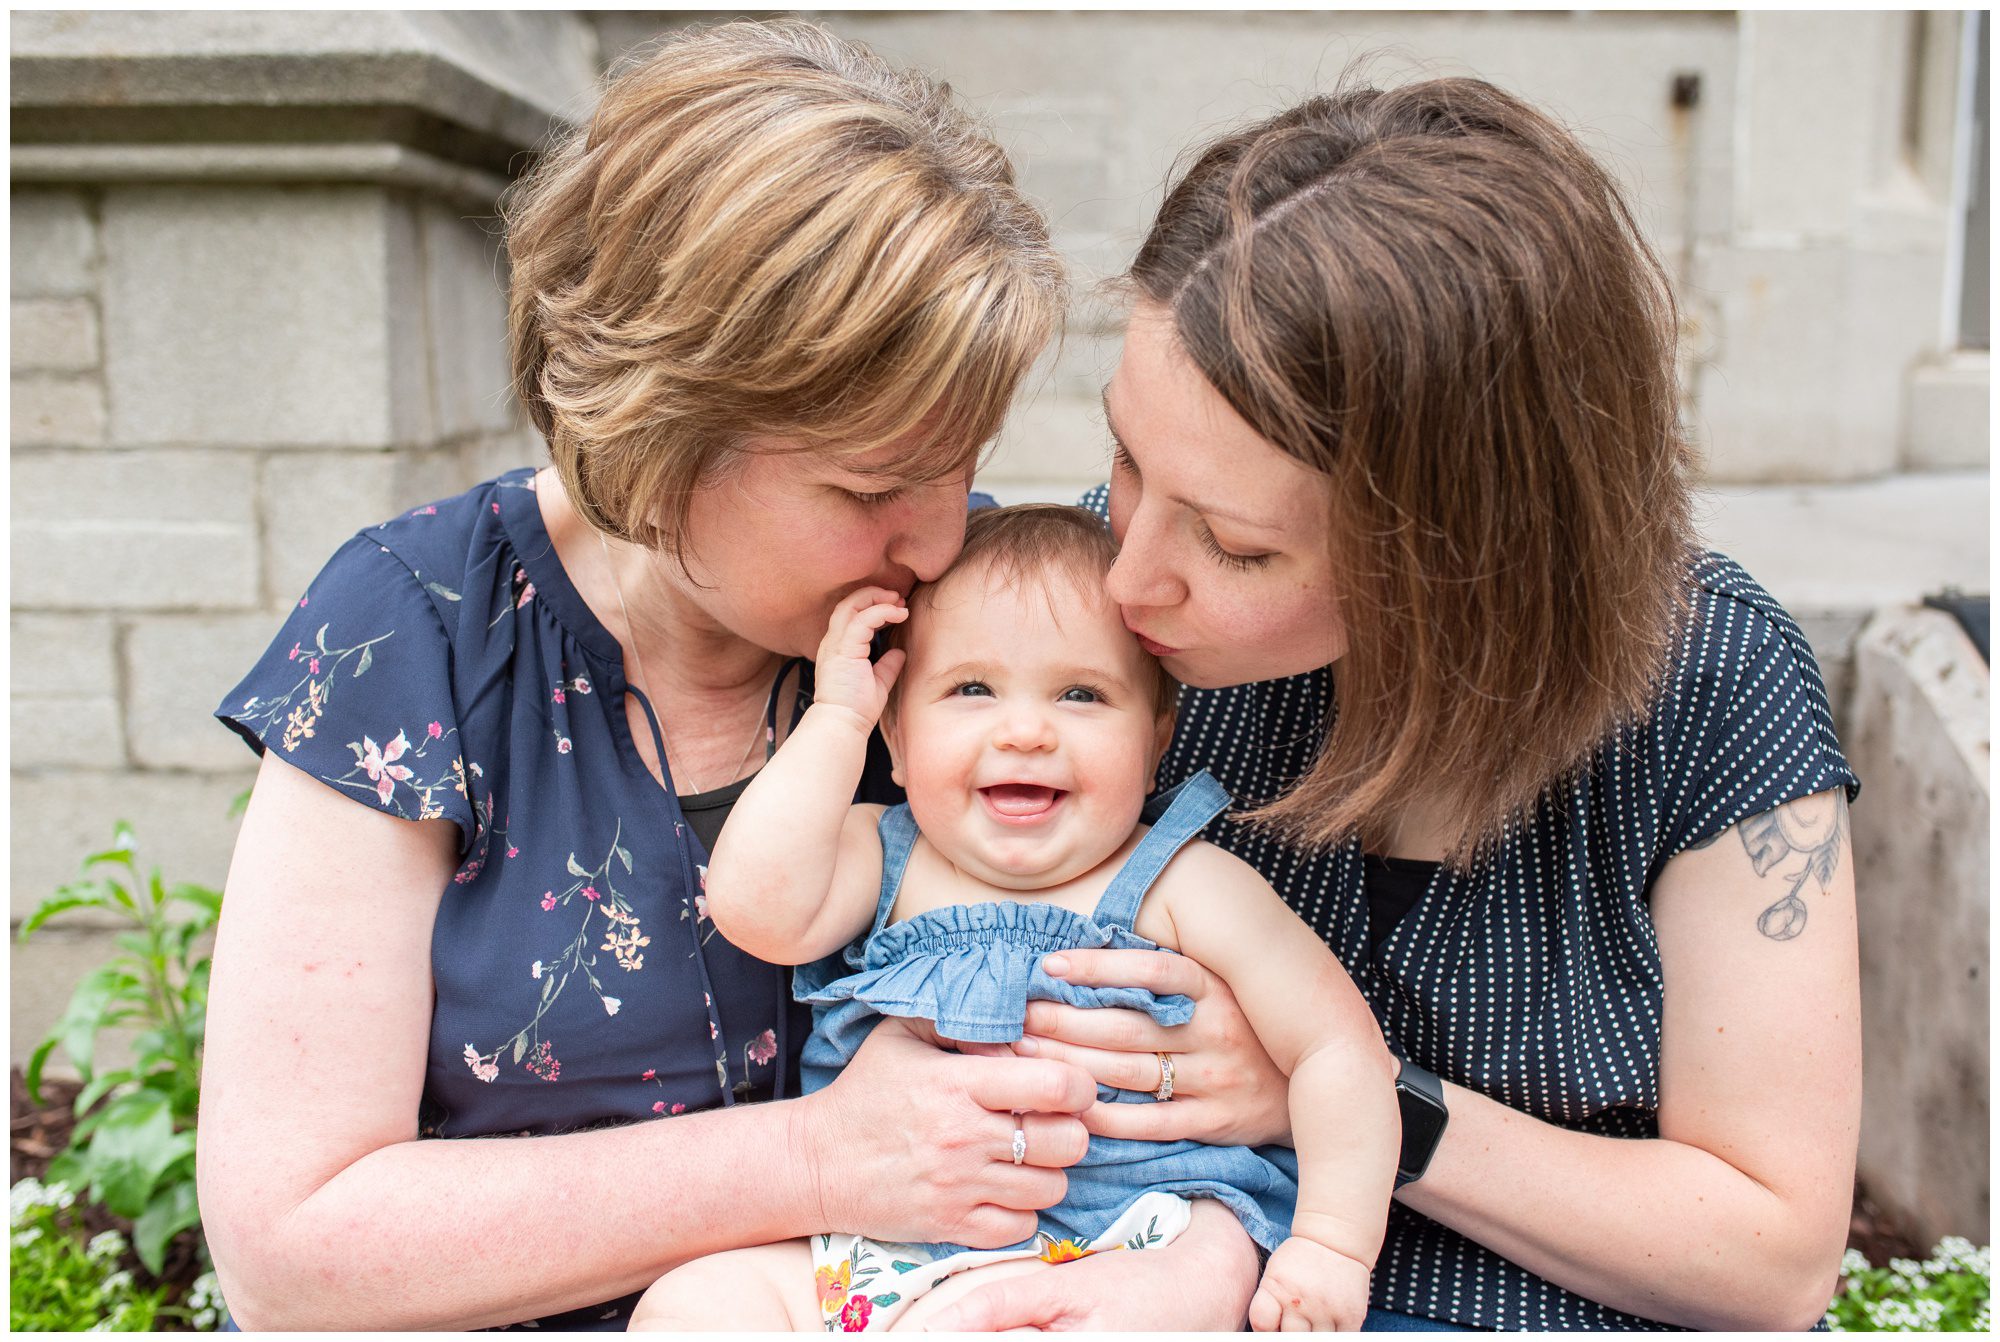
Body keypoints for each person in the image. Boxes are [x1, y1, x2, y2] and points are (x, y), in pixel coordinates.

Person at [194, 21, 1261, 1330]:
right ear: (665, 426)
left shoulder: (977, 630)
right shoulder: (418, 628)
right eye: (871, 485)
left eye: (964, 458)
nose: (941, 536)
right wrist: (813, 1157)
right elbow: (292, 1251)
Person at [918, 78, 1863, 1332]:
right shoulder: (1098, 625)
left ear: (1452, 558)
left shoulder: (1707, 692)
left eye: (1236, 549)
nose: (1129, 570)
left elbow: (1771, 1258)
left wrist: (1346, 1094)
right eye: (1127, 459)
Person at [628, 504, 1396, 1331]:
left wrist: (1331, 1244)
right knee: (694, 1304)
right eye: (971, 689)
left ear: (1155, 738)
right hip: (885, 1248)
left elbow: (1335, 1047)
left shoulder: (1186, 885)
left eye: (1080, 694)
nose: (1025, 730)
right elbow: (755, 910)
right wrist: (839, 718)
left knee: (1208, 1268)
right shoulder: (884, 855)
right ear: (898, 733)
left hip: (1135, 1241)